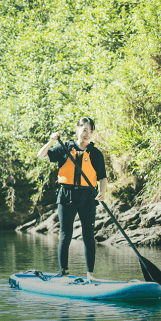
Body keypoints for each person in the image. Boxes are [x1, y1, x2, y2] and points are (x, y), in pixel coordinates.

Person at [37, 117, 107, 282]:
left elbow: (102, 177)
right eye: (84, 130)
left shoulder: (95, 154)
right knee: (65, 235)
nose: (86, 134)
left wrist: (102, 192)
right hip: (66, 195)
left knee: (89, 236)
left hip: (88, 197)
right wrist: (52, 140)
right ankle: (64, 273)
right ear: (77, 130)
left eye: (90, 131)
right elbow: (41, 155)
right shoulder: (64, 148)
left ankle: (90, 275)